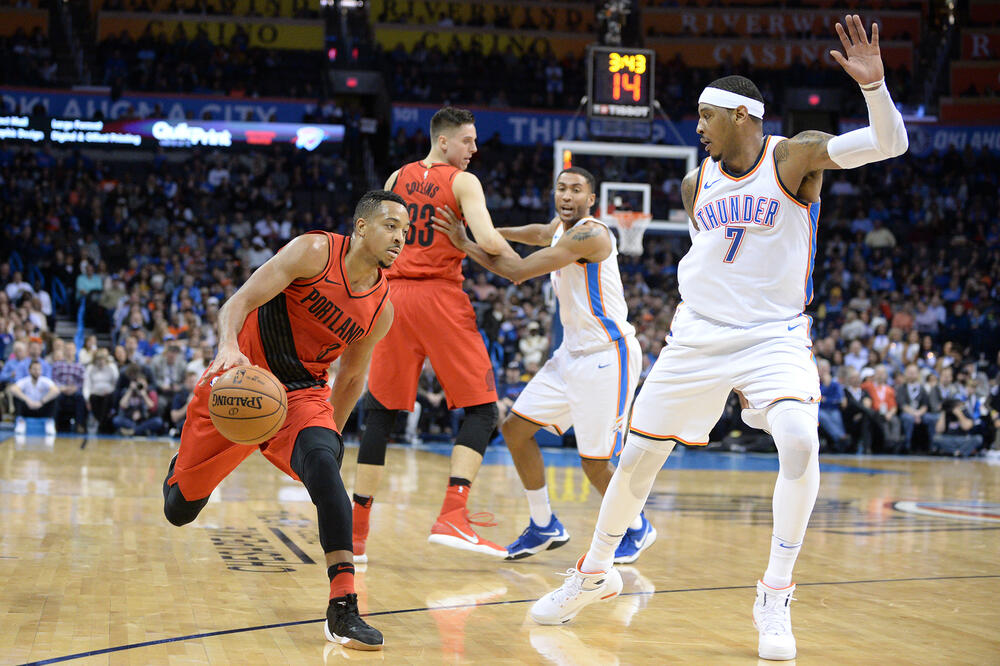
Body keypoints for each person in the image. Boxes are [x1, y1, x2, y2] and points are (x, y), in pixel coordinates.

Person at [530, 15, 908, 662]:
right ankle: (594, 571)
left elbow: (889, 144)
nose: (697, 126)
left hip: (773, 337)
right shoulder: (693, 183)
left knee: (797, 440)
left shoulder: (793, 155)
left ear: (742, 114)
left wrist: (874, 88)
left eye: (707, 115)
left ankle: (775, 593)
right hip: (696, 338)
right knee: (638, 461)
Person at [160, 191, 405, 651]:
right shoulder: (312, 252)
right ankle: (182, 469)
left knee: (325, 471)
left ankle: (343, 606)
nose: (400, 238)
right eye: (391, 226)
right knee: (178, 510)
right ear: (361, 227)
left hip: (301, 396)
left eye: (406, 232)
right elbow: (237, 301)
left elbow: (352, 377)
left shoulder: (381, 308)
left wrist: (329, 434)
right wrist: (228, 347)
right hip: (242, 381)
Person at [432, 167, 651, 563]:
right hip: (571, 355)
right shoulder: (560, 228)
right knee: (515, 430)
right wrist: (495, 231)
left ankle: (637, 527)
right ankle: (543, 524)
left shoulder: (591, 234)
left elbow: (516, 271)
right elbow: (539, 232)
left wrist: (466, 242)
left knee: (595, 463)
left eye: (576, 190)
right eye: (561, 188)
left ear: (591, 200)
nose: (566, 196)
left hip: (607, 356)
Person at [351, 108, 518, 561]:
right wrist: (521, 266)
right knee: (484, 410)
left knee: (380, 414)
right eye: (468, 141)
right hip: (440, 298)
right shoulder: (464, 182)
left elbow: (374, 245)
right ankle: (452, 514)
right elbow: (488, 240)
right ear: (444, 143)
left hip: (392, 297)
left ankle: (357, 534)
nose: (474, 150)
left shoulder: (396, 176)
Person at [10, 360, 60, 436]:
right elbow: (13, 389)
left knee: (54, 398)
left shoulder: (45, 381)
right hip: (28, 408)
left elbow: (56, 390)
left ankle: (50, 422)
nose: (37, 371)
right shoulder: (25, 381)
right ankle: (20, 421)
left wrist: (41, 402)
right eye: (34, 369)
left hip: (41, 408)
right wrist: (28, 400)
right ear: (29, 370)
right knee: (17, 397)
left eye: (39, 369)